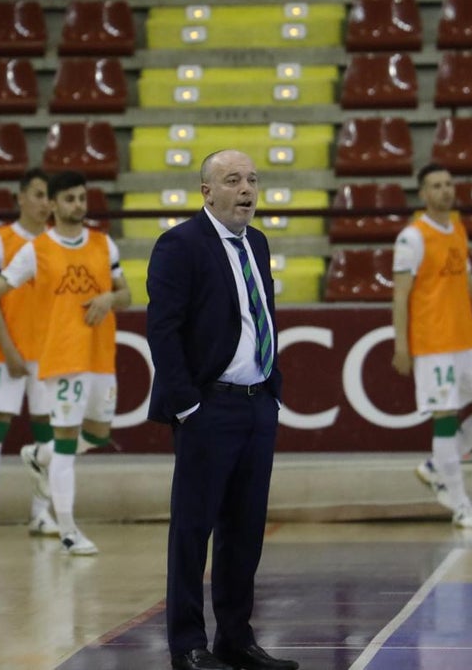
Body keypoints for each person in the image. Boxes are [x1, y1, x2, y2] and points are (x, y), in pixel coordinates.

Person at [146, 149, 298, 670]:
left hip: (258, 407)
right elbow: (162, 330)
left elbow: (261, 317)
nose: (246, 189)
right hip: (208, 408)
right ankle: (188, 645)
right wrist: (187, 404)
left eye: (252, 179)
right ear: (206, 191)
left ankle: (236, 638)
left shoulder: (257, 242)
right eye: (232, 180)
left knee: (245, 531)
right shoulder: (179, 244)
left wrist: (271, 390)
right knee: (192, 530)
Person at [0, 171, 130, 556]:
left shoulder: (105, 245)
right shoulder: (35, 250)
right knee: (67, 442)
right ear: (53, 205)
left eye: (82, 198)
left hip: (100, 354)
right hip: (61, 357)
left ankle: (38, 456)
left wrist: (108, 300)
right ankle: (68, 530)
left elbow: (127, 294)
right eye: (69, 198)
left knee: (99, 434)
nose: (78, 205)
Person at [391, 162, 472, 530]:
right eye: (436, 185)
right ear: (423, 194)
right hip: (433, 343)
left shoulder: (457, 227)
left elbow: (466, 281)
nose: (445, 190)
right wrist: (403, 344)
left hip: (466, 340)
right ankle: (460, 504)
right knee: (444, 418)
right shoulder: (412, 237)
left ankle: (435, 467)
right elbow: (401, 296)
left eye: (448, 184)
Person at [0, 168, 59, 540]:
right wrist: (8, 349)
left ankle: (41, 513)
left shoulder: (58, 241)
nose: (44, 203)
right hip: (5, 352)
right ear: (20, 197)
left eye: (48, 196)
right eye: (37, 194)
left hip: (49, 353)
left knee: (47, 433)